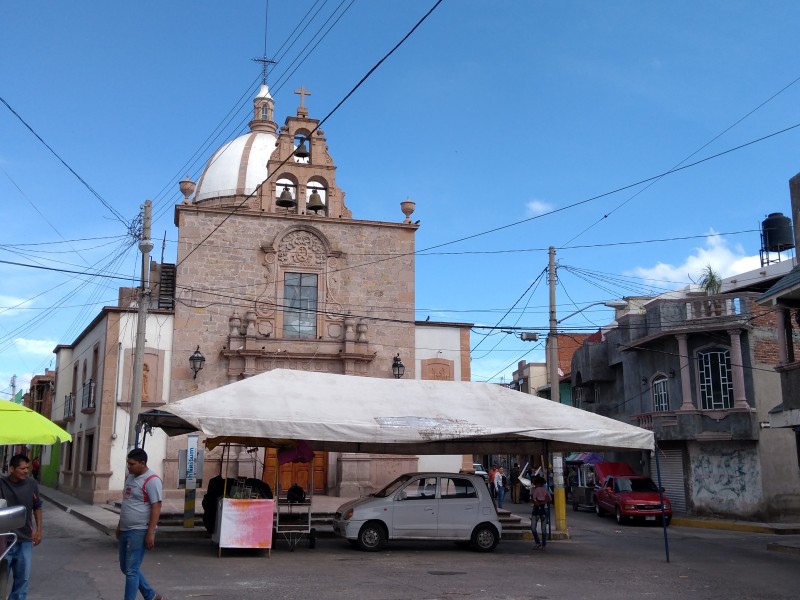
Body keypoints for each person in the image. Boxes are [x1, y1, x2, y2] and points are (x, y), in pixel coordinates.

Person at [116, 448, 166, 600]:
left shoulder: (152, 481)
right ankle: (151, 595)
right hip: (125, 529)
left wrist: (150, 532)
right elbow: (127, 503)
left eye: (131, 464)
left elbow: (156, 506)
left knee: (131, 570)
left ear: (142, 463)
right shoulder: (130, 478)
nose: (128, 467)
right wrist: (119, 525)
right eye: (127, 463)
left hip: (139, 530)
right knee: (125, 567)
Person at [0, 453, 43, 600]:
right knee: (1, 580)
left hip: (24, 539)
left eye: (27, 468)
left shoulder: (32, 484)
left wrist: (39, 531)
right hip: (4, 541)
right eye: (22, 468)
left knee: (22, 581)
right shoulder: (1, 484)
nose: (26, 471)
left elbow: (37, 507)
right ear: (11, 468)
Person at [530, 475, 552, 551]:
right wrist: (543, 502)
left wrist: (539, 503)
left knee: (540, 529)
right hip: (540, 509)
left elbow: (534, 499)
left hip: (540, 509)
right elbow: (549, 499)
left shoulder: (540, 489)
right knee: (537, 528)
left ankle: (541, 544)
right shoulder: (534, 489)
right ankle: (540, 543)